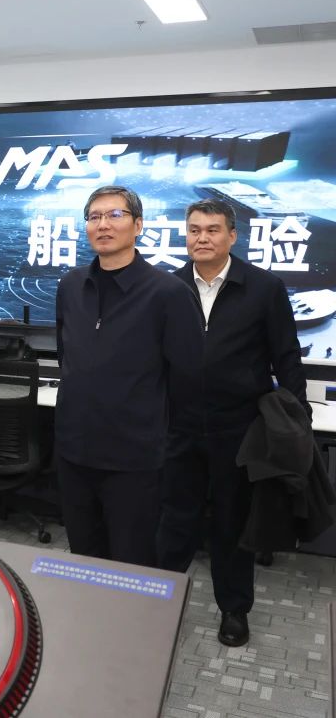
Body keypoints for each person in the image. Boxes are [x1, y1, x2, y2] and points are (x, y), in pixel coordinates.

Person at [157, 198, 307, 647]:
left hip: (238, 430)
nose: (202, 238)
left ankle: (234, 610)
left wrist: (297, 419)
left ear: (232, 236)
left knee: (232, 523)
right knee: (174, 522)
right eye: (194, 230)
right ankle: (156, 602)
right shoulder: (168, 288)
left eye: (213, 230)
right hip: (178, 427)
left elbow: (286, 357)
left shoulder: (263, 288)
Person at [55, 185, 202, 567]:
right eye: (94, 217)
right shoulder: (71, 286)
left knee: (132, 566)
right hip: (74, 453)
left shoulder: (168, 293)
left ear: (138, 225)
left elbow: (188, 381)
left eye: (115, 215)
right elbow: (67, 356)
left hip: (135, 461)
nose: (103, 224)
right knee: (84, 561)